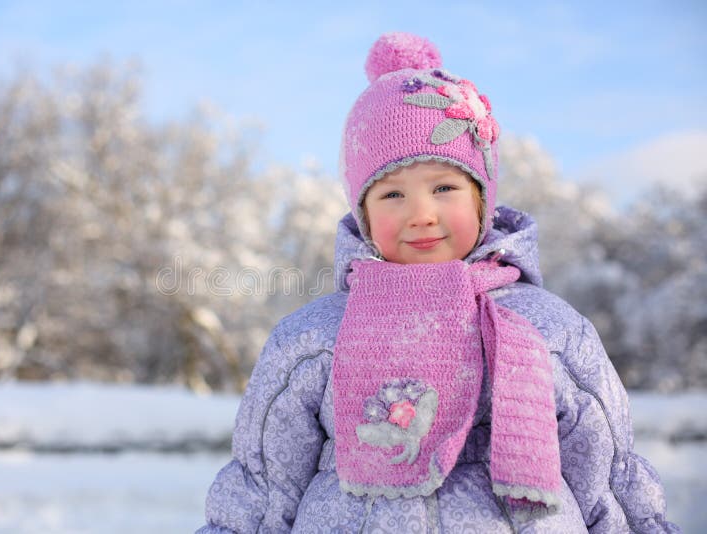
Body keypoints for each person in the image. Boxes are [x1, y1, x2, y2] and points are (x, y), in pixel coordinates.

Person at [197, 32, 679, 533]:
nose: (421, 214)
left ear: (482, 201)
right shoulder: (314, 338)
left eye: (444, 187)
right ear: (361, 213)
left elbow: (606, 476)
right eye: (392, 195)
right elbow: (263, 486)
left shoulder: (550, 329)